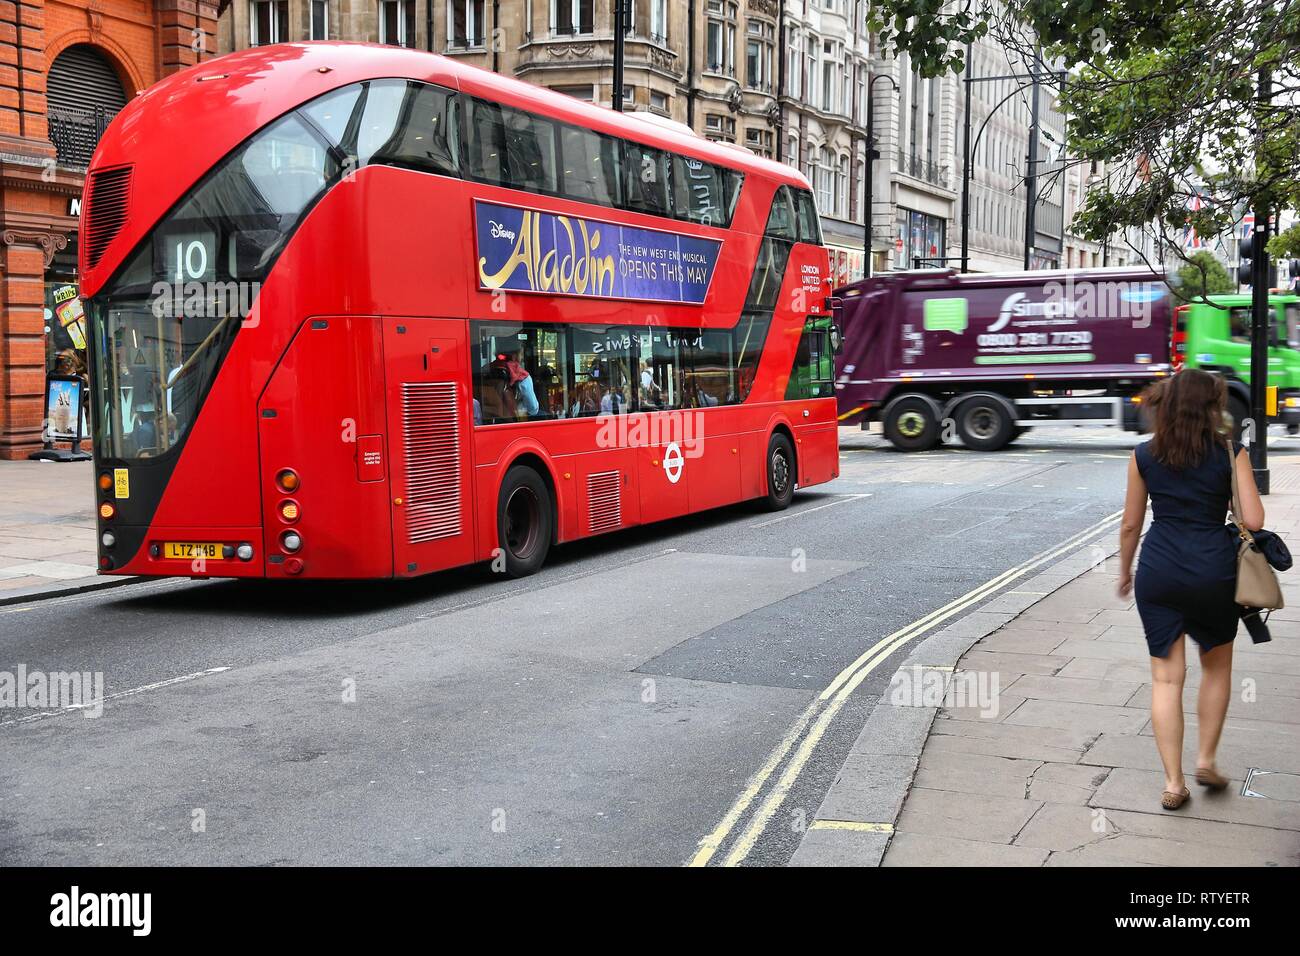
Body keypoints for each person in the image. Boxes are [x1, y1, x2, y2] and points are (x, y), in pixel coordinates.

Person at [1118, 368, 1264, 811]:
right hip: (1213, 571)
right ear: (1211, 406)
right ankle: (1205, 760)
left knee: (1165, 677)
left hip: (1159, 569)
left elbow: (1130, 524)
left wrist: (1124, 572)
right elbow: (1253, 521)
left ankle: (1173, 782)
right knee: (1215, 668)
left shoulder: (1145, 454)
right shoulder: (1229, 451)